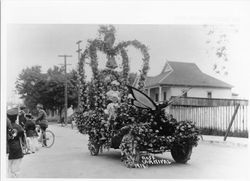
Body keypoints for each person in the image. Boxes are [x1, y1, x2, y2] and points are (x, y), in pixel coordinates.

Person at [7, 107, 25, 178]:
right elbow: (23, 140)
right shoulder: (19, 127)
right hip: (17, 150)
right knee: (16, 170)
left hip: (8, 150)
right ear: (16, 117)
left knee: (7, 171)